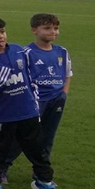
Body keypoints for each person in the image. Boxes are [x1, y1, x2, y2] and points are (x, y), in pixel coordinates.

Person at [0, 15, 62, 189]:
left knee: (37, 150)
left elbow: (31, 77)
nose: (0, 36)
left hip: (28, 112)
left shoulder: (18, 51)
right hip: (2, 116)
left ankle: (44, 182)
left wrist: (35, 100)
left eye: (2, 31)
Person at [25, 12, 71, 161]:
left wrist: (63, 94)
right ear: (34, 30)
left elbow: (67, 73)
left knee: (48, 136)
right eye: (47, 28)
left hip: (56, 99)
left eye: (56, 28)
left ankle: (41, 171)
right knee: (25, 134)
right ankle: (3, 167)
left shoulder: (62, 52)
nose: (53, 32)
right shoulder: (27, 53)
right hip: (35, 101)